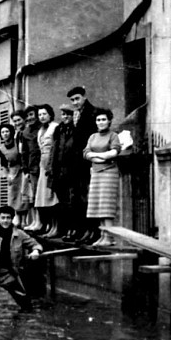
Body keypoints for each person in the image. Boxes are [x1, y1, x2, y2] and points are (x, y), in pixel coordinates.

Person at [83, 108, 122, 247]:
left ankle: (110, 237)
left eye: (104, 119)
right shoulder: (92, 137)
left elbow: (114, 152)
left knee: (107, 206)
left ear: (109, 121)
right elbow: (86, 153)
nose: (101, 122)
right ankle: (102, 235)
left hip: (109, 172)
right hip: (96, 173)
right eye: (98, 120)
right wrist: (100, 157)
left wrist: (97, 157)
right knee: (97, 205)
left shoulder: (113, 135)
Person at [67, 86, 98, 243]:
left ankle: (91, 232)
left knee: (88, 198)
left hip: (88, 163)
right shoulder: (76, 115)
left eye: (77, 98)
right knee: (77, 199)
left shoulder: (93, 113)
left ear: (84, 97)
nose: (75, 102)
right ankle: (81, 230)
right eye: (72, 100)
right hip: (76, 164)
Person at [49, 104, 77, 240]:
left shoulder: (75, 130)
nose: (65, 117)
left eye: (68, 114)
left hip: (71, 170)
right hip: (59, 170)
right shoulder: (59, 130)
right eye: (63, 114)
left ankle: (73, 229)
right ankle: (65, 229)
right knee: (62, 202)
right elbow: (54, 150)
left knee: (72, 202)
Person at [34, 104, 61, 237]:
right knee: (44, 198)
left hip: (52, 164)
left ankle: (56, 227)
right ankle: (49, 226)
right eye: (39, 115)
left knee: (53, 197)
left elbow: (56, 147)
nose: (42, 117)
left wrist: (51, 166)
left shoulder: (55, 127)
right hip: (42, 165)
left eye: (44, 114)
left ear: (50, 114)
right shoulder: (41, 130)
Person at [0, 120, 29, 228]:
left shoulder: (17, 143)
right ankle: (18, 220)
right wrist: (7, 176)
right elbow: (4, 165)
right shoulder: (1, 148)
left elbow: (23, 156)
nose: (5, 134)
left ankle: (24, 220)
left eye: (7, 131)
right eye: (2, 132)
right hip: (12, 173)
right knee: (13, 197)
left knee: (23, 196)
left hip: (21, 171)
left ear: (11, 132)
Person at [21, 105, 42, 231]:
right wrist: (26, 168)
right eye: (27, 116)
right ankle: (36, 221)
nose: (30, 118)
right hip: (32, 167)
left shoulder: (42, 129)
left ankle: (43, 223)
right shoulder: (26, 132)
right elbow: (24, 152)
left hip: (43, 166)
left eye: (32, 115)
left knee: (43, 197)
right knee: (33, 196)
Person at [9, 110, 31, 227]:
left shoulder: (27, 132)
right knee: (18, 194)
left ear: (24, 120)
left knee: (27, 195)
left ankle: (25, 220)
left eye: (19, 120)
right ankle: (19, 219)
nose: (17, 123)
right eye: (15, 121)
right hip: (19, 166)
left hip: (28, 166)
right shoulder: (17, 134)